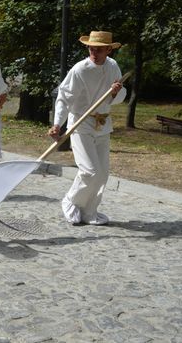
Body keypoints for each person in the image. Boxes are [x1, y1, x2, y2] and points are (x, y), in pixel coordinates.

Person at [49, 31, 126, 226]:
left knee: (102, 173)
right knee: (90, 170)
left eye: (99, 49)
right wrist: (58, 124)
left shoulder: (113, 67)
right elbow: (64, 97)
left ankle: (89, 210)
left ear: (109, 50)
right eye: (91, 48)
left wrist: (116, 92)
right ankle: (71, 201)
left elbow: (117, 97)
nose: (94, 52)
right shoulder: (79, 70)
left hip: (102, 124)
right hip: (81, 124)